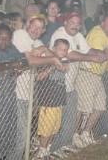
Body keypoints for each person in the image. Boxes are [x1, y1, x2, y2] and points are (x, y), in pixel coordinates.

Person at [48, 12, 108, 154]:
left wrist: (99, 54)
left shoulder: (78, 35)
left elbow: (88, 49)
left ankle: (62, 146)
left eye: (77, 23)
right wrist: (91, 58)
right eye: (72, 22)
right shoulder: (60, 34)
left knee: (68, 121)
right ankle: (51, 149)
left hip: (70, 85)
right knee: (54, 121)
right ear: (65, 22)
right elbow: (68, 54)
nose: (75, 26)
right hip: (57, 83)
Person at [11, 14, 66, 160]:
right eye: (34, 26)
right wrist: (52, 59)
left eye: (40, 28)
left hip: (28, 94)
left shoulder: (38, 42)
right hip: (14, 92)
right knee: (21, 135)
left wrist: (43, 49)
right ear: (28, 25)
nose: (36, 30)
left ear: (43, 31)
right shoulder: (20, 34)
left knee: (23, 134)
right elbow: (31, 60)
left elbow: (49, 56)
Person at [73, 15, 108, 148]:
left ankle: (85, 133)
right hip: (88, 74)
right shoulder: (98, 33)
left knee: (100, 106)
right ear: (102, 22)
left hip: (97, 75)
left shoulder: (107, 34)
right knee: (84, 109)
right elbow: (100, 57)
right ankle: (76, 135)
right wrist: (107, 54)